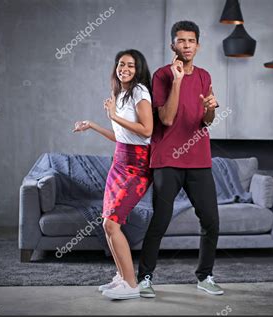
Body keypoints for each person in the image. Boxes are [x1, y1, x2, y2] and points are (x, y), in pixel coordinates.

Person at [137, 21, 224, 297]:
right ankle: (145, 278)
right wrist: (177, 80)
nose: (186, 45)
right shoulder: (162, 76)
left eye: (191, 41)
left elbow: (206, 121)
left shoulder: (205, 76)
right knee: (160, 220)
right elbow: (166, 118)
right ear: (172, 45)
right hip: (167, 160)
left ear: (198, 45)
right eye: (181, 41)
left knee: (211, 220)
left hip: (199, 159)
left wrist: (210, 109)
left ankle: (205, 276)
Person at [73, 49, 153, 300]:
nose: (124, 69)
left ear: (138, 69)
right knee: (107, 223)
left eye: (130, 65)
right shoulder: (117, 95)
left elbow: (146, 130)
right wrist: (94, 125)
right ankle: (121, 276)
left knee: (112, 223)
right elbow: (121, 137)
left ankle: (131, 285)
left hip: (137, 165)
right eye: (121, 64)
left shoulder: (140, 91)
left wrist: (114, 116)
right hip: (118, 161)